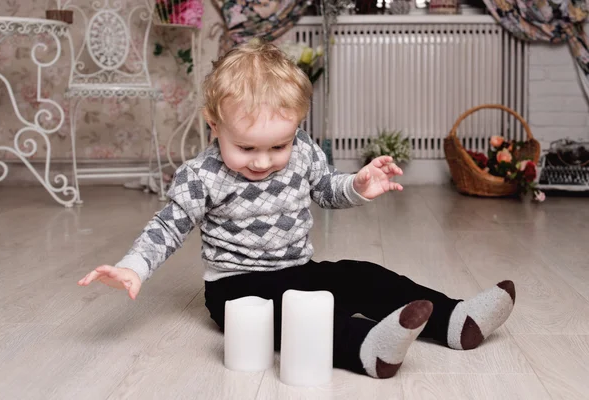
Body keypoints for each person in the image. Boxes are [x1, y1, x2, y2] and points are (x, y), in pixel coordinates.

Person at [78, 39, 515, 379]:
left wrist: (357, 186)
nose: (264, 161)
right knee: (298, 315)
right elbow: (168, 227)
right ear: (214, 125)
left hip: (299, 268)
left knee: (362, 274)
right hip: (236, 288)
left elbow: (325, 190)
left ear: (297, 129)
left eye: (278, 145)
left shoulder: (303, 151)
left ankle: (455, 319)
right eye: (246, 147)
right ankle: (367, 348)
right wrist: (134, 266)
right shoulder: (201, 175)